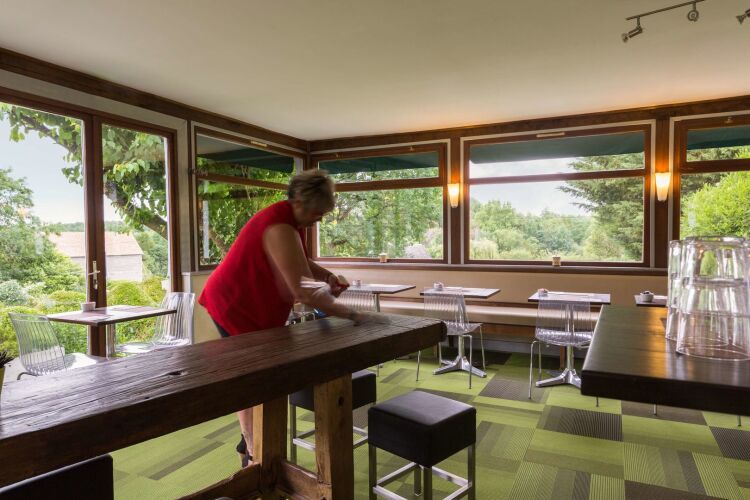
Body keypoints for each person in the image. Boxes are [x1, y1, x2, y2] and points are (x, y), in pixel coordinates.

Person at [198, 169, 362, 467]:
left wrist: (324, 275)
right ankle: (253, 452)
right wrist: (353, 314)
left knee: (262, 376)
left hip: (252, 307)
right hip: (234, 305)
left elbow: (298, 260)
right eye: (317, 212)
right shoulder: (278, 226)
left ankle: (250, 446)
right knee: (252, 380)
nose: (319, 219)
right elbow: (303, 292)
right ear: (299, 201)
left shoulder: (291, 221)